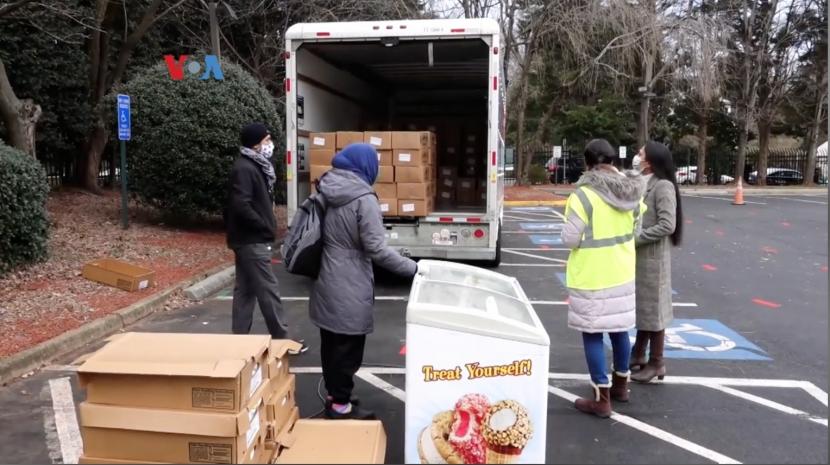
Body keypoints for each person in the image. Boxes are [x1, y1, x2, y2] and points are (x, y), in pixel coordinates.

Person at [311, 143, 417, 420]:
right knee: (348, 348)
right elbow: (376, 249)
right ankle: (340, 407)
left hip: (327, 276)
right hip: (350, 280)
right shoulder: (363, 198)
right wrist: (413, 268)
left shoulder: (326, 188)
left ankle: (337, 397)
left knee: (331, 345)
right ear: (364, 166)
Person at [561, 139, 647, 418]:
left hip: (591, 274)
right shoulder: (633, 193)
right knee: (620, 330)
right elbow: (636, 228)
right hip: (622, 270)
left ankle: (601, 398)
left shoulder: (583, 195)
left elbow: (570, 238)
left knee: (593, 333)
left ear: (588, 164)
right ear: (613, 161)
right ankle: (621, 386)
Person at [225, 122, 306, 353]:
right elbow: (241, 204)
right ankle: (282, 338)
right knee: (267, 288)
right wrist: (263, 226)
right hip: (251, 239)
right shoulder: (245, 168)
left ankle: (238, 339)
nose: (270, 145)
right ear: (256, 143)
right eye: (266, 140)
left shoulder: (254, 165)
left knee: (246, 289)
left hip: (246, 238)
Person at [629, 141, 682, 383]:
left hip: (652, 259)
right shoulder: (644, 182)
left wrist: (637, 238)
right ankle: (638, 354)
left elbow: (667, 225)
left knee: (655, 310)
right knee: (644, 307)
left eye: (640, 154)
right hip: (639, 258)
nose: (636, 156)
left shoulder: (663, 186)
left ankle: (657, 362)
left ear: (650, 161)